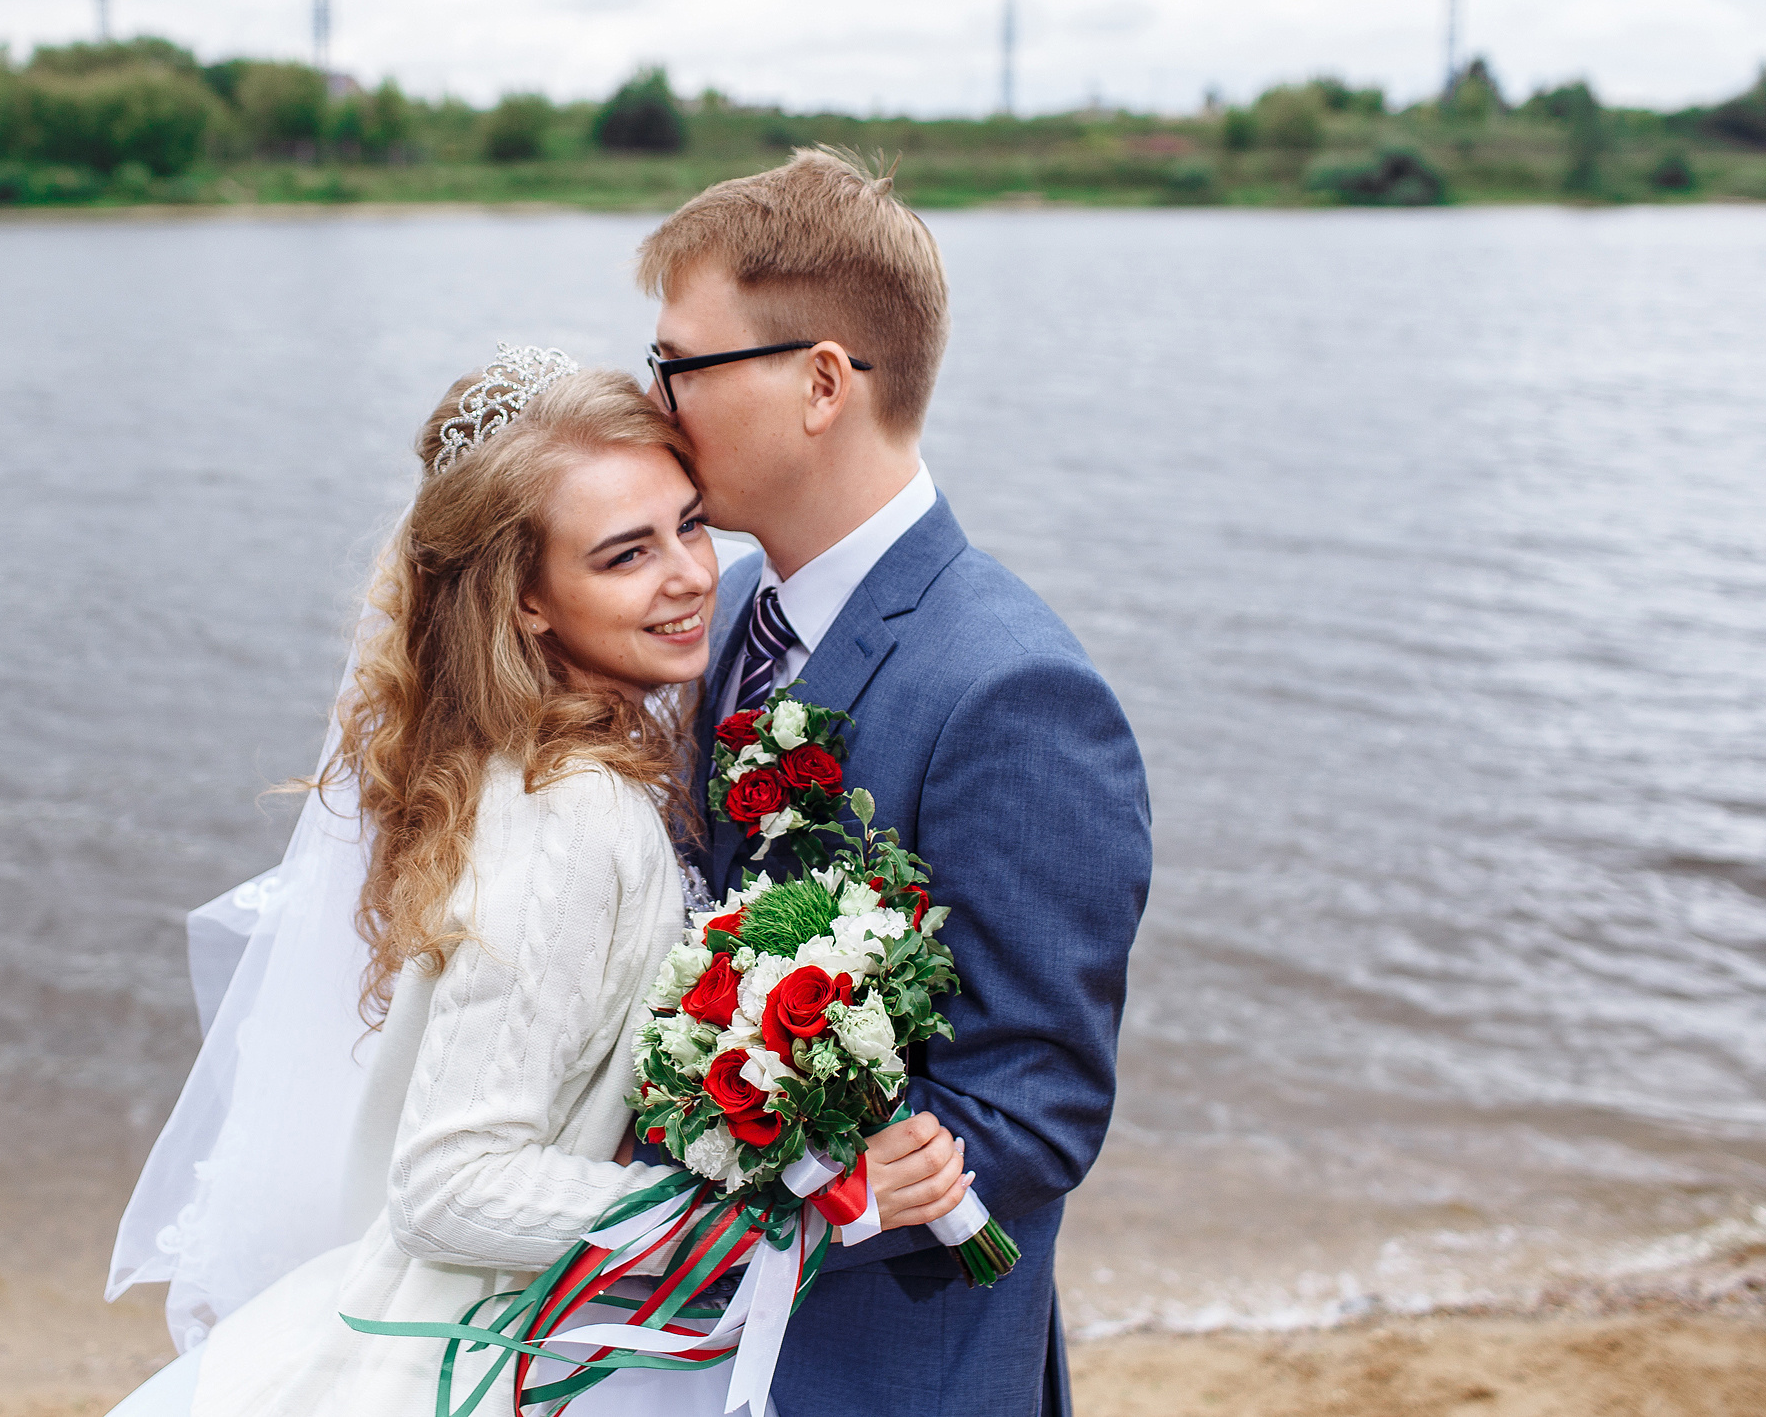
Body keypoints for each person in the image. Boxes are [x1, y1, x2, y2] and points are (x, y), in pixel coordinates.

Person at [105, 352, 974, 1417]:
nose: (692, 575)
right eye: (624, 555)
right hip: (497, 1357)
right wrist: (791, 1208)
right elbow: (452, 1185)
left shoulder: (528, 760)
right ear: (525, 598)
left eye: (689, 525)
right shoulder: (569, 817)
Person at [637, 148, 1153, 1417]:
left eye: (680, 369)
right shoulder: (730, 606)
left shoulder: (1013, 692)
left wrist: (766, 1164)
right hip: (698, 1338)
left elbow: (1034, 1103)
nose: (653, 407)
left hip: (878, 1366)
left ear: (821, 382)